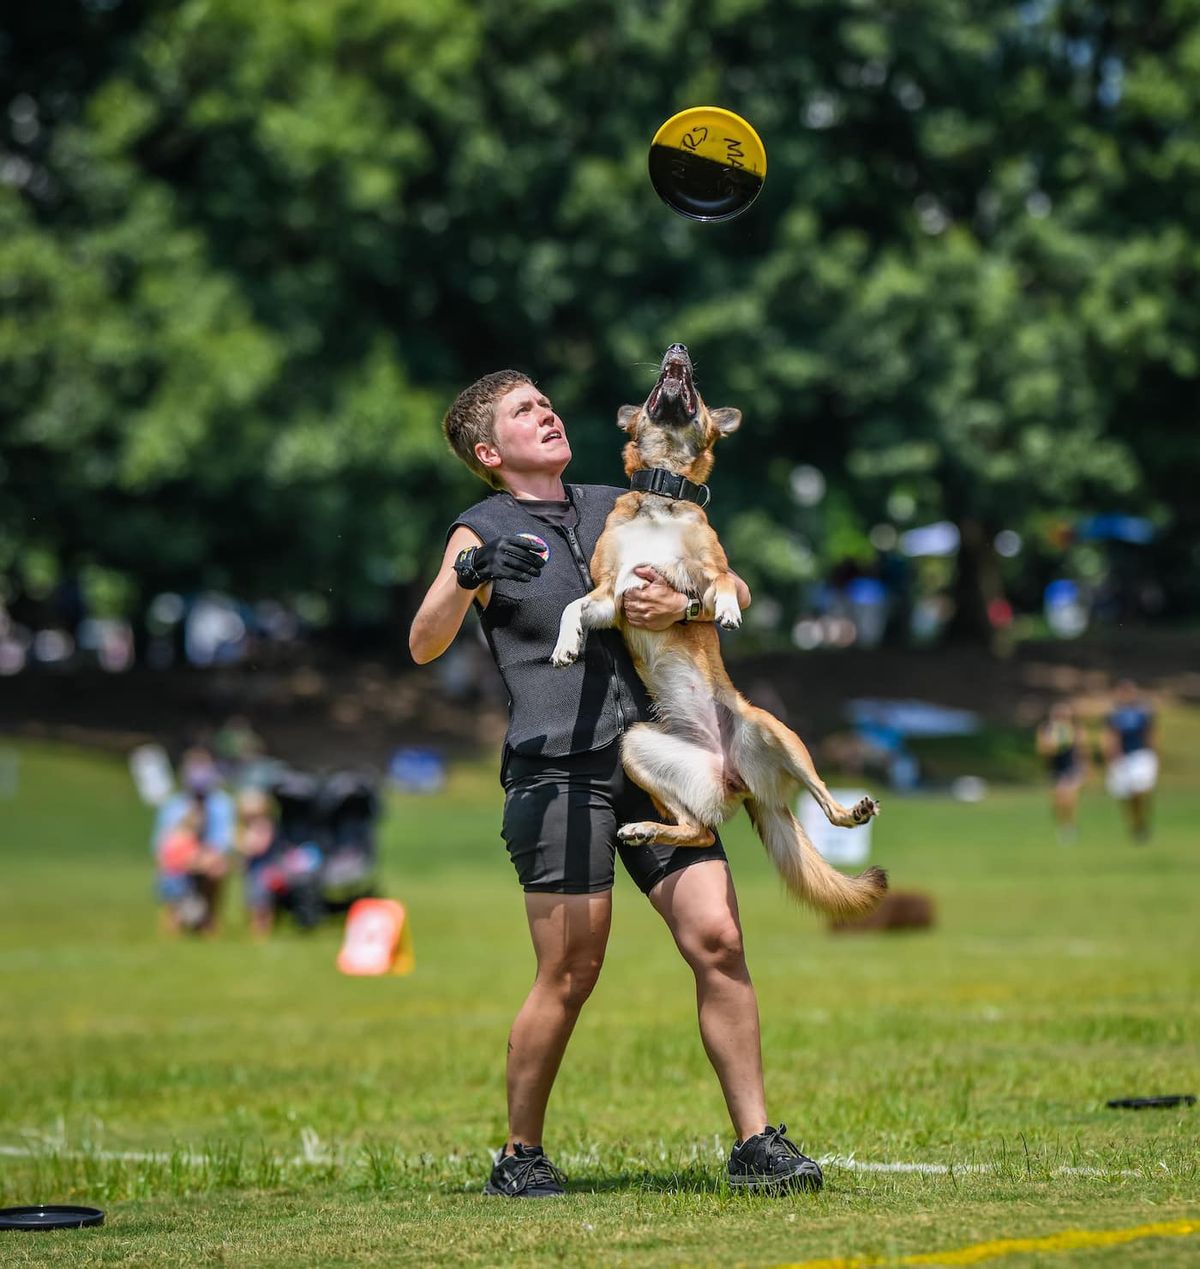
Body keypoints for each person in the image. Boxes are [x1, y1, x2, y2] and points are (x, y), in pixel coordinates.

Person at [409, 370, 824, 1198]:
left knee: (721, 940)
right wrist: (468, 574)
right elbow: (423, 642)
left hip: (657, 755)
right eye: (525, 410)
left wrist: (686, 604)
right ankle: (519, 1154)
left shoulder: (620, 501)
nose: (548, 412)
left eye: (546, 401)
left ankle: (757, 1142)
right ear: (490, 451)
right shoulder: (478, 529)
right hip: (557, 769)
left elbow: (731, 585)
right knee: (572, 969)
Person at [152, 745, 235, 933]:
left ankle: (208, 920)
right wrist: (186, 859)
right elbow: (162, 846)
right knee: (171, 876)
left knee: (217, 870)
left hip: (208, 861)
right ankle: (174, 922)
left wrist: (204, 858)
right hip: (179, 862)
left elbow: (223, 843)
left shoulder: (222, 804)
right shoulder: (173, 806)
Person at [1103, 680, 1158, 842]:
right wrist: (1110, 755)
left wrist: (1155, 753)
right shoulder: (1114, 714)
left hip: (1140, 754)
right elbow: (1110, 736)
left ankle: (1141, 820)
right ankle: (1135, 823)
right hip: (1122, 758)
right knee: (1125, 795)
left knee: (1140, 790)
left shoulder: (1143, 712)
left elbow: (1150, 733)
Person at [1035, 702, 1086, 844]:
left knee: (1070, 798)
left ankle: (1070, 827)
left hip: (1071, 767)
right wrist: (1052, 746)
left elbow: (1082, 748)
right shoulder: (1046, 729)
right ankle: (1063, 825)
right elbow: (1041, 750)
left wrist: (1086, 767)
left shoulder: (1075, 728)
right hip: (1054, 768)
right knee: (1057, 801)